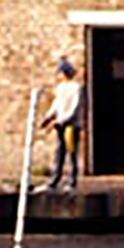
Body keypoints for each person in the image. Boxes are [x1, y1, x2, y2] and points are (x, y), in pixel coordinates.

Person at [44, 54, 83, 190]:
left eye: (59, 73)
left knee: (71, 152)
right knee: (59, 152)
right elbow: (57, 104)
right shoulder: (60, 88)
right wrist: (48, 117)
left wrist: (61, 120)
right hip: (60, 126)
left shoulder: (76, 88)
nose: (57, 76)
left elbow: (74, 108)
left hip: (71, 126)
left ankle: (72, 180)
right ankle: (55, 179)